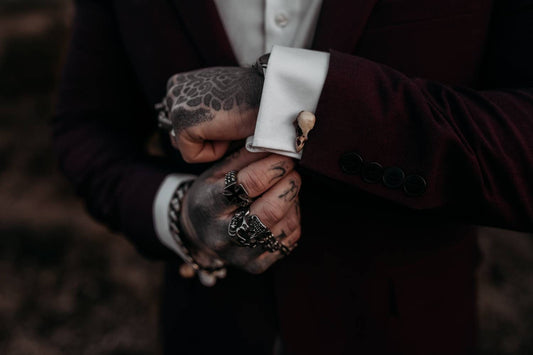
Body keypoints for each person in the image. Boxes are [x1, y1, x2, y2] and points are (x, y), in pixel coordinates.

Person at [53, 0, 533, 354]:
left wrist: (279, 99)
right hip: (209, 329)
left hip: (405, 328)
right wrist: (179, 215)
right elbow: (86, 129)